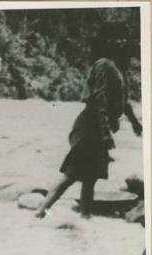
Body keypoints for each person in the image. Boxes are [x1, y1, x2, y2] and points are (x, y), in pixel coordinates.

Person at [35, 22, 142, 219]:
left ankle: (85, 218)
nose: (120, 42)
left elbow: (123, 102)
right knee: (73, 174)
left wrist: (135, 123)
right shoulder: (104, 64)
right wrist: (105, 132)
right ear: (105, 41)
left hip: (97, 127)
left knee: (90, 177)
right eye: (115, 38)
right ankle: (40, 212)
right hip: (89, 125)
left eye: (123, 38)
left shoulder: (118, 69)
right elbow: (98, 99)